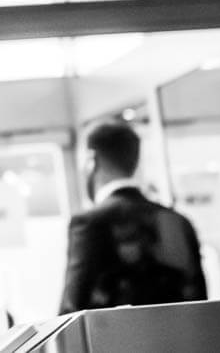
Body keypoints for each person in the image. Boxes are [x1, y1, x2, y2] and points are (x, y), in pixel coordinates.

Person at [58, 122, 206, 314]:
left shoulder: (89, 223)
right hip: (179, 333)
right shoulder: (179, 221)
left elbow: (72, 309)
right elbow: (200, 302)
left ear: (91, 161)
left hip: (113, 334)